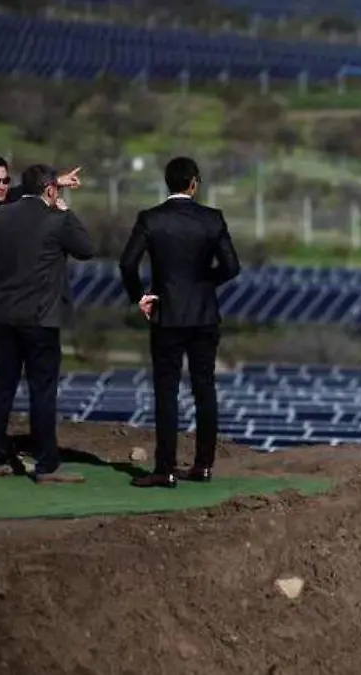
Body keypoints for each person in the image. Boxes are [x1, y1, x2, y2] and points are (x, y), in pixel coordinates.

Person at [119, 157, 241, 488]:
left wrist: (140, 296)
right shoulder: (212, 219)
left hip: (167, 315)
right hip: (204, 314)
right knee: (205, 389)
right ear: (194, 183)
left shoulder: (151, 219)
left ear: (167, 183)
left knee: (166, 392)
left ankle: (165, 468)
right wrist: (205, 283)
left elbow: (127, 263)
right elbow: (231, 267)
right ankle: (203, 465)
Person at [0, 154, 81, 474]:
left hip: (2, 309)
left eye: (6, 180)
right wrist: (54, 200)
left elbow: (20, 195)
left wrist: (50, 184)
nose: (2, 187)